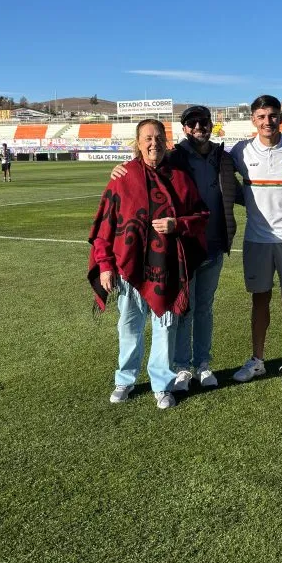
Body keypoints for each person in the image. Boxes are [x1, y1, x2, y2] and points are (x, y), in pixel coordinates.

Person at [110, 105, 241, 392]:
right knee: (183, 310)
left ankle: (202, 364)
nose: (198, 127)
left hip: (213, 245)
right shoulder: (176, 157)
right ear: (184, 128)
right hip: (182, 251)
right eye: (192, 123)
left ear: (210, 124)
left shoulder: (223, 158)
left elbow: (242, 191)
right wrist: (121, 168)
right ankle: (181, 367)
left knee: (203, 309)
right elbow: (144, 166)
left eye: (203, 122)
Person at [88, 119, 208, 409]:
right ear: (138, 142)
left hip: (167, 269)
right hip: (128, 268)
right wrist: (104, 264)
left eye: (158, 138)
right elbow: (106, 225)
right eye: (147, 138)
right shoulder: (123, 176)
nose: (153, 143)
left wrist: (177, 223)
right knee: (129, 326)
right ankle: (124, 380)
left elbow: (201, 215)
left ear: (167, 141)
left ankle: (161, 384)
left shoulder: (180, 178)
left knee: (165, 328)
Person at [229, 95, 282, 387]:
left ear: (281, 118)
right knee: (259, 299)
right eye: (261, 116)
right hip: (257, 240)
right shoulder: (240, 151)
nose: (267, 122)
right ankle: (258, 360)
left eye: (272, 116)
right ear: (253, 119)